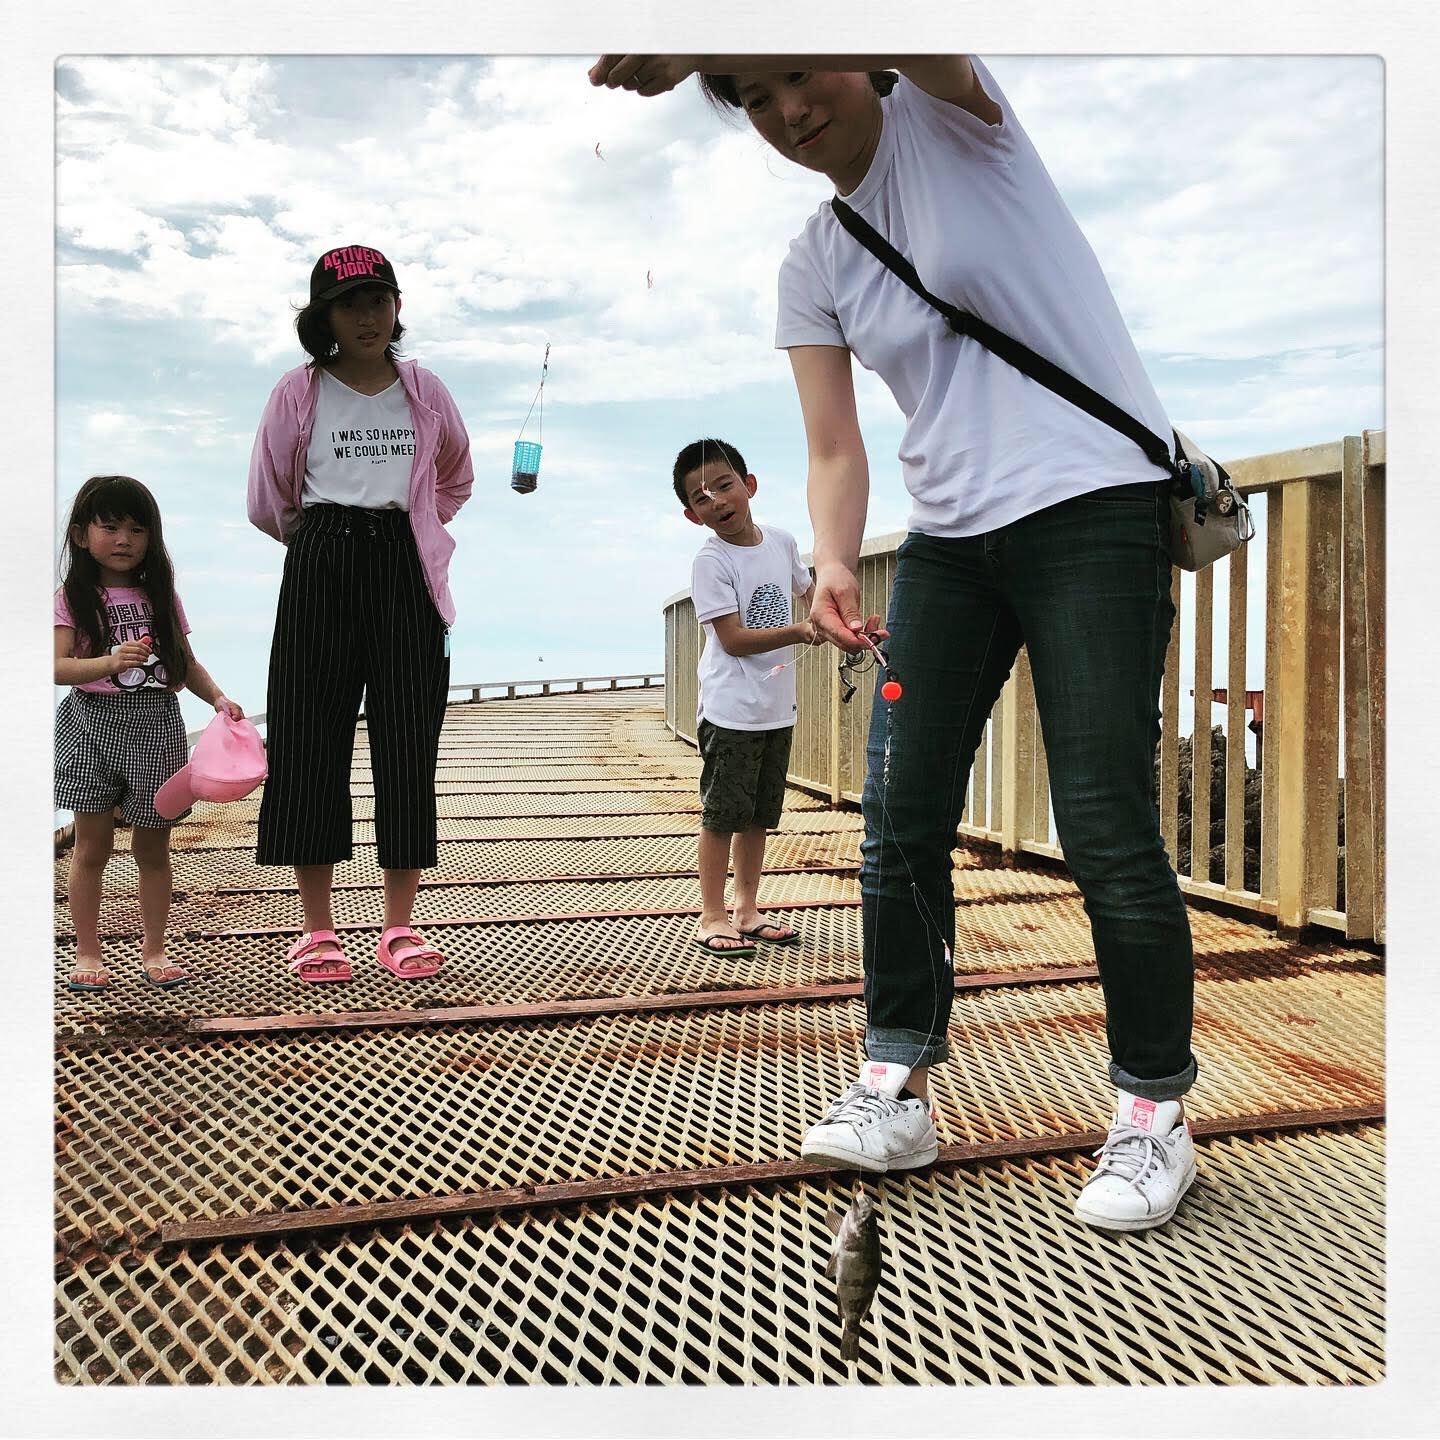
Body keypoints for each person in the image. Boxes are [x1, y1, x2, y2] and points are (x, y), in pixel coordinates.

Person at [593, 56, 1198, 1232]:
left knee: (1103, 820)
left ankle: (1150, 1114)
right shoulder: (814, 261)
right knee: (899, 811)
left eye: (797, 74)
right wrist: (829, 560)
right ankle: (897, 1083)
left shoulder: (959, 120)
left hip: (1091, 508)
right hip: (950, 542)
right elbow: (833, 446)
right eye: (752, 98)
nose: (787, 111)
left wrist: (697, 31)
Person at [247, 245, 474, 985]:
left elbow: (456, 476)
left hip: (406, 564)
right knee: (309, 740)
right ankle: (317, 929)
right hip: (321, 557)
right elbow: (269, 499)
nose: (368, 316)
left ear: (397, 307)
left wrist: (415, 525)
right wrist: (325, 540)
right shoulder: (298, 390)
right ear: (324, 317)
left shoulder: (425, 389)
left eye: (379, 299)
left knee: (408, 741)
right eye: (350, 304)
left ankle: (399, 925)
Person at [54, 474, 244, 991]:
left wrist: (218, 698)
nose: (124, 540)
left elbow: (186, 661)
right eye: (110, 527)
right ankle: (88, 952)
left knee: (153, 847)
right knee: (91, 847)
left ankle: (154, 949)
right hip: (89, 725)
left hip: (157, 725)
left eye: (137, 530)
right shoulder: (71, 597)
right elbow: (56, 666)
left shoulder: (161, 596)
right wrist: (109, 662)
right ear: (81, 535)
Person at [675, 438, 818, 956]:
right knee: (722, 816)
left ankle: (746, 909)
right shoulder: (711, 561)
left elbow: (811, 595)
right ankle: (711, 915)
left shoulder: (781, 542)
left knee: (759, 816)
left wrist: (842, 622)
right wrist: (800, 632)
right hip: (731, 710)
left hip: (776, 708)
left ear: (749, 485)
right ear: (693, 515)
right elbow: (733, 639)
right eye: (701, 496)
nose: (716, 499)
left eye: (724, 485)